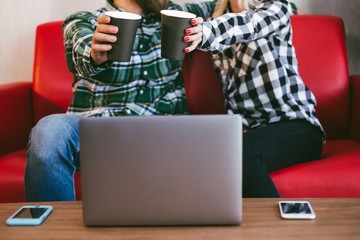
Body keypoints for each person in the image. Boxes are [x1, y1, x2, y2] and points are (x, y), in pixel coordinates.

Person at [24, 0, 216, 202]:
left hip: (160, 132)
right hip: (100, 130)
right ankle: (53, 230)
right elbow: (81, 50)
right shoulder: (85, 21)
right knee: (49, 130)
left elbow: (221, 4)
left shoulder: (177, 14)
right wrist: (95, 54)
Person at [185, 0, 324, 197]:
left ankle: (273, 227)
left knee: (240, 154)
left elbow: (251, 24)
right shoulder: (212, 18)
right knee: (204, 158)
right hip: (250, 131)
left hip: (297, 125)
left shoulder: (276, 7)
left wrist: (205, 32)